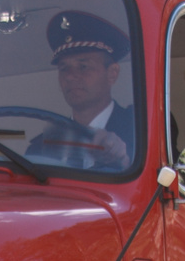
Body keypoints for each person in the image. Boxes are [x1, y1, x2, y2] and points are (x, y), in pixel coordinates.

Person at [27, 10, 135, 170]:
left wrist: (125, 161)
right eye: (64, 68)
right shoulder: (40, 147)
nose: (70, 76)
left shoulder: (139, 130)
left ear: (112, 74)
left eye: (83, 66)